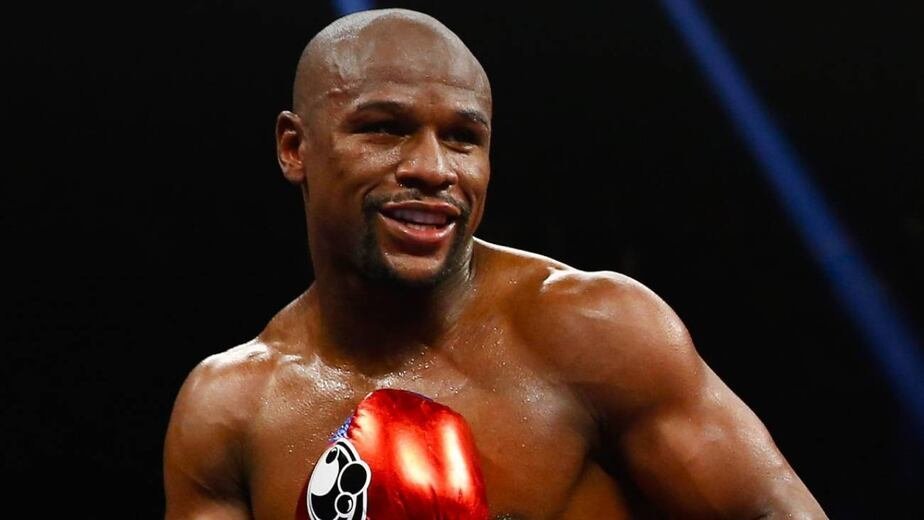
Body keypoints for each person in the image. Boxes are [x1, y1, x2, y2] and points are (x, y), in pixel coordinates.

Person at [163, 8, 827, 519]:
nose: (432, 169)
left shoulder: (592, 331)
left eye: (462, 138)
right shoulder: (230, 410)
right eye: (386, 127)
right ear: (294, 147)